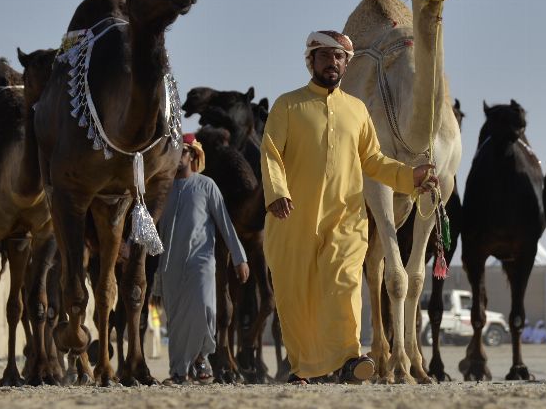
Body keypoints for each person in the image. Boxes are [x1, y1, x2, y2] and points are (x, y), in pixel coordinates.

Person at [261, 30, 438, 384]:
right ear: (311, 61)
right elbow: (270, 152)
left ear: (346, 63)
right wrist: (277, 192)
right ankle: (303, 368)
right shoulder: (287, 105)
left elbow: (373, 160)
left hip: (345, 219)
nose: (332, 62)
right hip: (292, 218)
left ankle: (347, 360)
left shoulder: (356, 110)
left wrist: (410, 176)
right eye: (325, 55)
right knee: (296, 297)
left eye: (339, 57)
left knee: (344, 286)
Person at [155, 133, 249, 385]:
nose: (178, 157)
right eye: (174, 152)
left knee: (205, 307)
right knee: (175, 320)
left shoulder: (207, 186)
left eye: (183, 151)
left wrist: (240, 258)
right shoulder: (162, 188)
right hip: (170, 263)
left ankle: (202, 357)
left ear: (193, 155)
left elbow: (225, 224)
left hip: (202, 260)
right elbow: (148, 221)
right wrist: (129, 245)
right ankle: (179, 372)